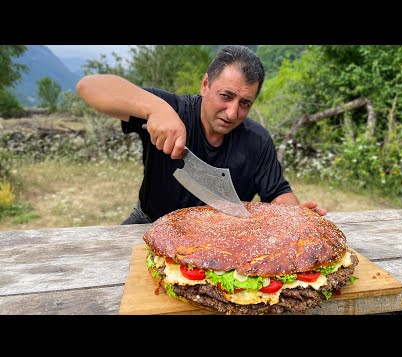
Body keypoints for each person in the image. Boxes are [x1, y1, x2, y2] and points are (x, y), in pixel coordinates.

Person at [76, 45, 327, 224]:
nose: (232, 113)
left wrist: (294, 217)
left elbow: (278, 193)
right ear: (206, 85)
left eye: (245, 103)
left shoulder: (257, 141)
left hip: (224, 237)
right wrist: (156, 109)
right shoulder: (173, 109)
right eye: (226, 96)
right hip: (150, 223)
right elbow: (89, 86)